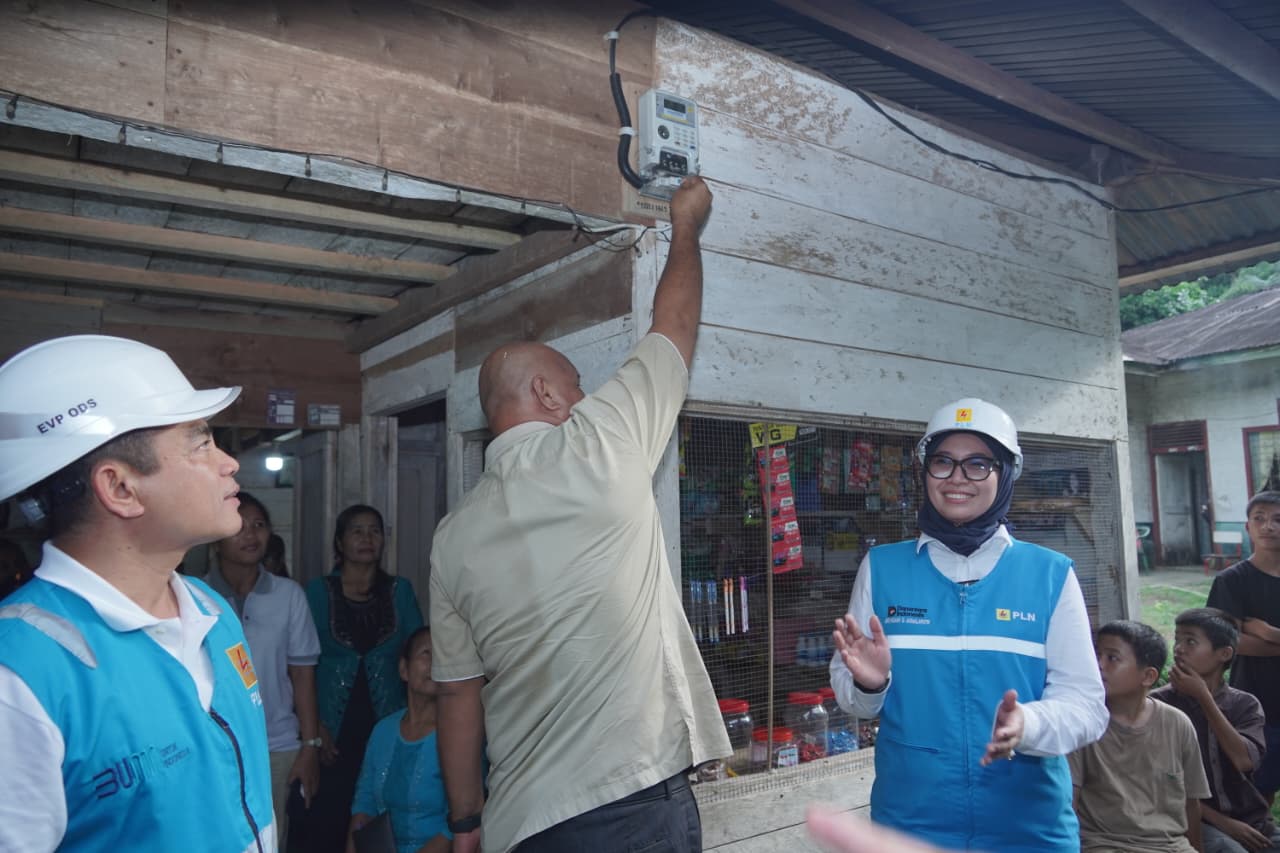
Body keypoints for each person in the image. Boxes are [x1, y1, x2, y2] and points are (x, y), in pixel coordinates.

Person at [429, 175, 729, 853]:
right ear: (544, 392)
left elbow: (456, 694)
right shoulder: (600, 439)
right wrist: (686, 224)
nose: (583, 392)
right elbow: (672, 330)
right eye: (574, 382)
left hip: (523, 825)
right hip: (633, 806)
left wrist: (465, 823)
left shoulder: (452, 538)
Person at [0, 334, 274, 852]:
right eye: (200, 442)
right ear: (121, 488)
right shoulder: (19, 679)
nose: (229, 462)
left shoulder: (213, 613)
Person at [829, 397, 1107, 851]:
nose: (957, 478)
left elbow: (1087, 707)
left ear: (1006, 474)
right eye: (943, 463)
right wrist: (871, 686)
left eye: (978, 464)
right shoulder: (882, 569)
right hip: (908, 826)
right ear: (925, 473)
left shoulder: (1050, 574)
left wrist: (1028, 724)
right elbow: (855, 701)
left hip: (1028, 830)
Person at [301, 504, 423, 853]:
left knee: (381, 821)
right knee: (328, 822)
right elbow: (300, 665)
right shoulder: (317, 592)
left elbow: (417, 652)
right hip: (331, 729)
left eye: (374, 530)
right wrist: (313, 729)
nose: (367, 538)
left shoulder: (400, 591)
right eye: (357, 530)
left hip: (386, 723)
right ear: (339, 541)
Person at [208, 490, 322, 847]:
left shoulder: (288, 595)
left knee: (271, 841)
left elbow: (303, 676)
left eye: (259, 525)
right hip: (214, 746)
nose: (251, 534)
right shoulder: (195, 595)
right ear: (216, 537)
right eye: (240, 526)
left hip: (277, 744)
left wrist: (310, 745)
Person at [1070, 620, 1210, 852]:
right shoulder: (1082, 723)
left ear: (1148, 676)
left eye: (1112, 658)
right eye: (1097, 655)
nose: (1098, 665)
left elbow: (1191, 803)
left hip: (1171, 846)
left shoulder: (1177, 723)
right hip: (1104, 845)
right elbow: (1069, 803)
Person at [1153, 607, 1280, 853]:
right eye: (1177, 639)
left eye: (1190, 641)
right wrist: (1226, 825)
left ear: (1224, 653)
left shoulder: (1244, 704)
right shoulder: (1159, 705)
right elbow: (1163, 785)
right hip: (1190, 821)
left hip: (1251, 821)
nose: (1179, 648)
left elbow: (1244, 761)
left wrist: (1204, 697)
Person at [347, 627, 453, 853]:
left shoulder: (455, 734)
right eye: (426, 653)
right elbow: (364, 803)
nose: (435, 663)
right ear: (404, 669)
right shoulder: (383, 731)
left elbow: (462, 818)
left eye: (443, 655)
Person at [1207, 491, 1280, 806]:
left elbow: (1248, 638)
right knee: (1258, 793)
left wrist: (1268, 632)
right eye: (1259, 518)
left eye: (1278, 519)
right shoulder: (1231, 581)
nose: (1269, 526)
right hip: (1257, 703)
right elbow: (1227, 643)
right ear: (1248, 527)